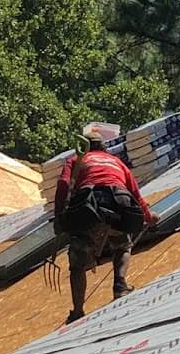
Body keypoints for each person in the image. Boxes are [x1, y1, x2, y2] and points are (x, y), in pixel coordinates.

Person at [54, 129, 156, 324]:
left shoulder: (77, 159)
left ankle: (77, 311)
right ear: (102, 146)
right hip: (119, 202)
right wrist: (148, 215)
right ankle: (120, 285)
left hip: (89, 205)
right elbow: (134, 192)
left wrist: (59, 215)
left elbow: (64, 185)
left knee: (77, 261)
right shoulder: (116, 162)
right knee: (123, 245)